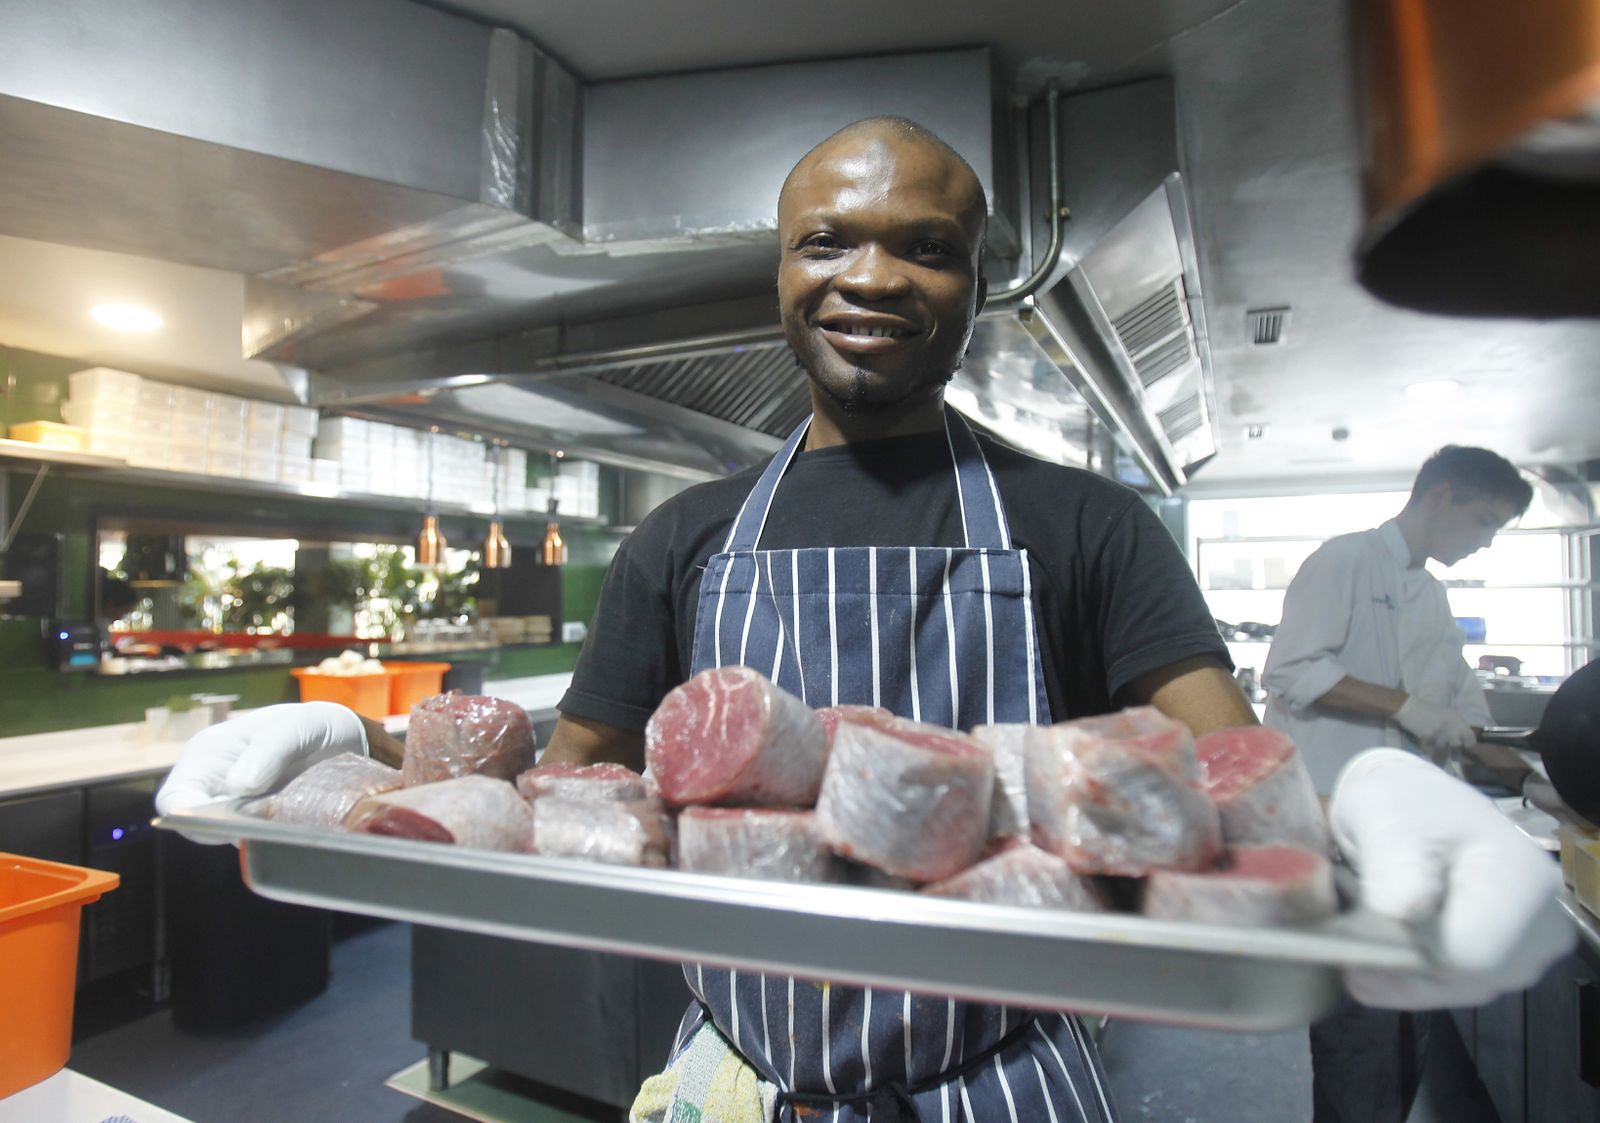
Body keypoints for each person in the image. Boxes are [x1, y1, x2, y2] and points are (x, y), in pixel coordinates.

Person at [158, 119, 1571, 1123]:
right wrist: (340, 760)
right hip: (735, 1077)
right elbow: (543, 791)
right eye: (828, 239)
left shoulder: (1082, 524)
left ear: (974, 283)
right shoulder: (687, 538)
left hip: (1009, 1084)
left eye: (928, 246)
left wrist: (1370, 798)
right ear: (779, 271)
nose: (875, 276)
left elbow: (1237, 792)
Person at [1261, 447, 1536, 1123]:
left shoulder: (1433, 595)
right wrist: (1405, 706)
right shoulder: (1345, 560)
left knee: (1411, 1035)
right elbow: (1292, 671)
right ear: (1438, 496)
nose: (1485, 541)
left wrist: (1540, 784)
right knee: (1361, 1042)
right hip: (1337, 844)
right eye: (1482, 521)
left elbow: (1468, 715)